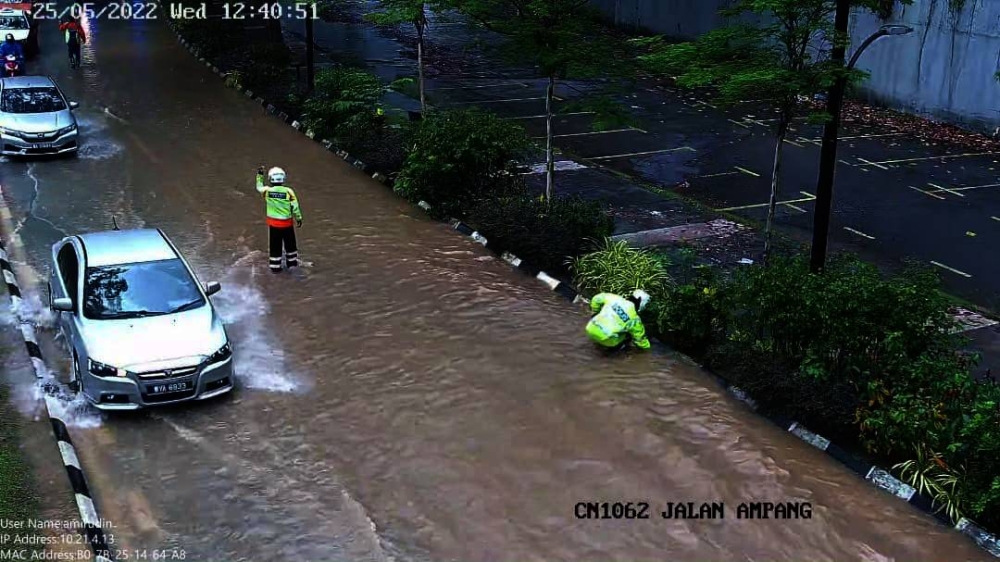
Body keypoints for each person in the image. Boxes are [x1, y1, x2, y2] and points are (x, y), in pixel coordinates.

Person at [255, 166, 303, 273]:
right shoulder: (289, 191)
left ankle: (275, 268)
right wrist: (299, 218)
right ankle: (292, 265)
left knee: (275, 246)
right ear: (283, 178)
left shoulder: (267, 191)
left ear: (271, 178)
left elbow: (259, 187)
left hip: (274, 225)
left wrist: (260, 175)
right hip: (287, 225)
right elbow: (295, 207)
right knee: (290, 245)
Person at [585, 290, 652, 351]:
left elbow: (596, 299)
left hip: (590, 327)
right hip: (607, 339)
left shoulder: (615, 298)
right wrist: (648, 351)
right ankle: (611, 351)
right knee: (629, 335)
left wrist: (595, 312)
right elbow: (641, 341)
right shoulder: (634, 320)